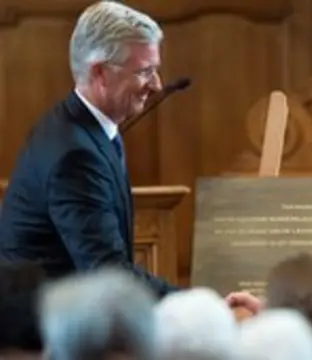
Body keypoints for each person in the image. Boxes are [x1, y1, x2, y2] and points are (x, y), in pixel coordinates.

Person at [0, 1, 178, 297]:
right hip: (46, 333)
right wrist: (195, 304)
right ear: (100, 73)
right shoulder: (74, 153)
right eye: (145, 71)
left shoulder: (81, 127)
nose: (156, 85)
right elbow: (108, 275)